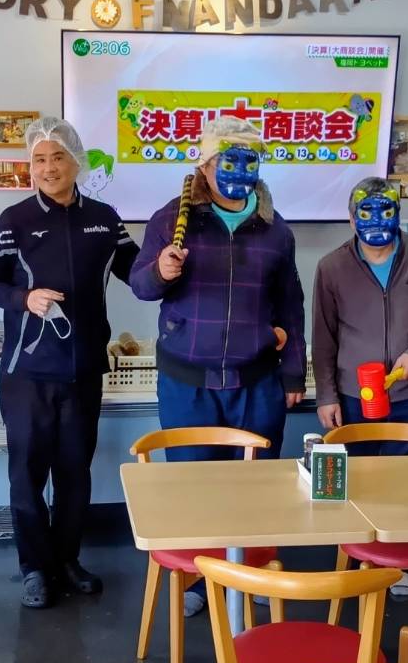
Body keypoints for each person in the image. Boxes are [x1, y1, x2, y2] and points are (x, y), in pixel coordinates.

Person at [0, 117, 139, 609]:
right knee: (27, 475)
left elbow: (137, 272)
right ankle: (34, 568)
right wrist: (24, 299)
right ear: (31, 167)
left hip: (84, 370)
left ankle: (67, 560)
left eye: (58, 157)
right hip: (27, 373)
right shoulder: (15, 219)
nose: (48, 168)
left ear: (76, 161)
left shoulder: (105, 219)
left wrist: (168, 267)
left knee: (74, 473)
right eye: (39, 160)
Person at [131, 116, 306, 461]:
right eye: (228, 161)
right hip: (187, 385)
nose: (239, 171)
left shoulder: (276, 231)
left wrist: (293, 374)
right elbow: (140, 286)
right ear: (204, 165)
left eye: (249, 162)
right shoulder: (171, 219)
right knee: (193, 486)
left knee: (256, 485)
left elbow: (290, 306)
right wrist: (160, 272)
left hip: (257, 386)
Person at [312, 177, 408, 450]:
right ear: (352, 220)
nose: (377, 221)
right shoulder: (332, 267)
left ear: (398, 213)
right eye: (366, 214)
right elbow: (323, 337)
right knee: (359, 473)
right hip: (355, 396)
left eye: (386, 212)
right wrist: (326, 396)